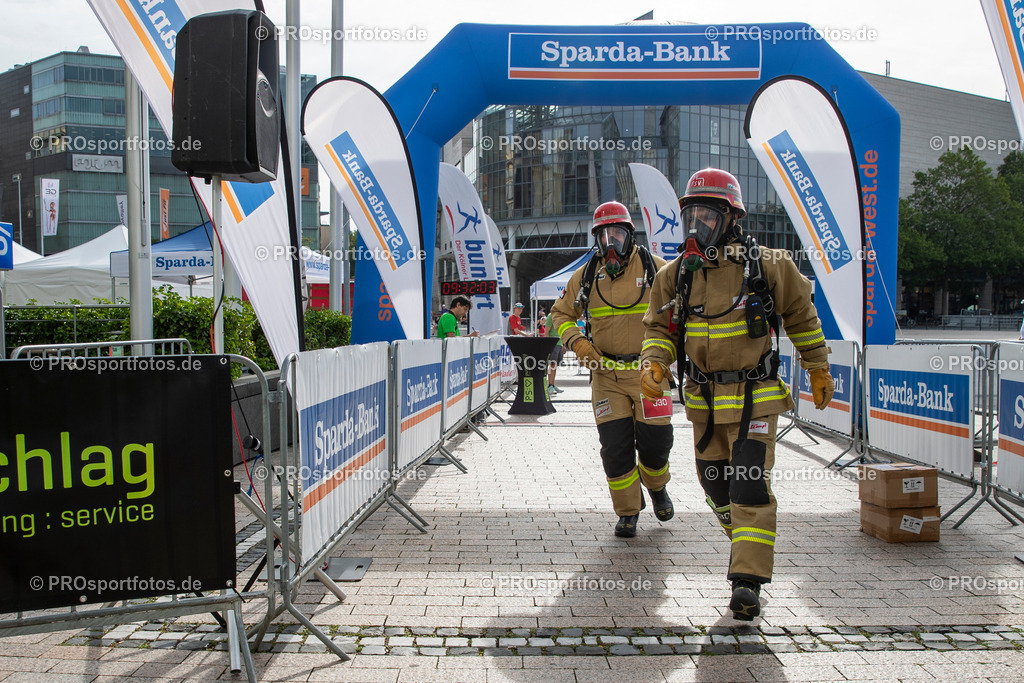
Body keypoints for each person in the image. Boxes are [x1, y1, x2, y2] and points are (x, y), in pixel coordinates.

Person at [640, 168, 834, 621]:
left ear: (731, 217)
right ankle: (746, 543)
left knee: (749, 485)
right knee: (716, 489)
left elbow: (802, 317)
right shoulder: (675, 277)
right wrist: (655, 363)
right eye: (691, 215)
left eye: (706, 215)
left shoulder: (769, 265)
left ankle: (746, 583)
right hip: (705, 406)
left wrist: (817, 366)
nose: (696, 226)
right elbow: (659, 328)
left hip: (756, 400)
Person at [551, 200, 672, 538]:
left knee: (655, 445)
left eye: (617, 234)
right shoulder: (588, 275)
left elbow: (680, 314)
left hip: (650, 375)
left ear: (630, 235)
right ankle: (628, 512)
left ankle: (657, 485)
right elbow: (559, 314)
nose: (610, 243)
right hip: (607, 378)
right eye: (604, 236)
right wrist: (578, 343)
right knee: (615, 449)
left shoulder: (656, 270)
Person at [545, 310, 563, 394]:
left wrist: (564, 345)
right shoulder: (550, 316)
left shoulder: (561, 316)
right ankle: (550, 385)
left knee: (554, 366)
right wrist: (548, 344)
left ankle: (552, 384)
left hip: (559, 343)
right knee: (551, 365)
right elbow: (546, 331)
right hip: (553, 343)